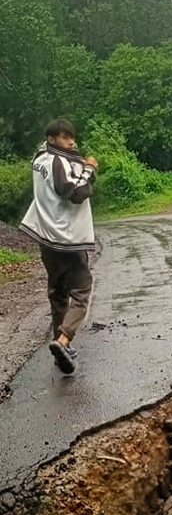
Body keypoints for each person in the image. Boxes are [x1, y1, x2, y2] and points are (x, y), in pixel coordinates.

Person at [19, 119, 98, 375]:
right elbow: (74, 192)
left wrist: (75, 160)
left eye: (71, 137)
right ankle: (64, 340)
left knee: (57, 294)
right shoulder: (58, 162)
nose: (71, 142)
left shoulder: (39, 159)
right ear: (52, 140)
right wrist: (88, 168)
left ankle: (59, 348)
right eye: (65, 138)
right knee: (82, 291)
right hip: (67, 238)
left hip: (46, 238)